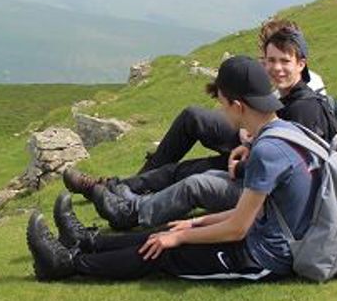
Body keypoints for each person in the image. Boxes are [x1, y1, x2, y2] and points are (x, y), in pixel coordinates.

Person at [25, 55, 316, 282]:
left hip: (263, 258)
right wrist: (193, 224)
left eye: (222, 103)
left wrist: (179, 237)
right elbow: (253, 212)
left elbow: (239, 228)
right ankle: (87, 241)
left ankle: (66, 264)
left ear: (238, 105)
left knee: (164, 250)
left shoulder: (267, 151)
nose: (220, 110)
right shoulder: (282, 132)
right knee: (169, 231)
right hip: (266, 235)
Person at [62, 23, 337, 231]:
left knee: (191, 176)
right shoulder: (281, 88)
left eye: (284, 61)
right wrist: (247, 142)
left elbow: (291, 164)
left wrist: (246, 153)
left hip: (258, 171)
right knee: (191, 126)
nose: (275, 68)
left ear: (301, 63)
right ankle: (121, 190)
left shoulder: (306, 103)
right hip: (250, 146)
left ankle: (122, 198)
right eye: (269, 60)